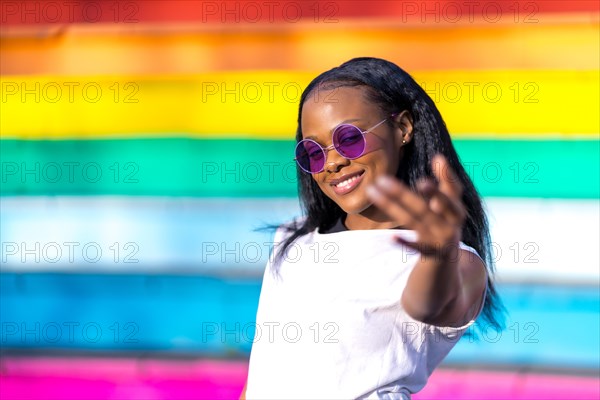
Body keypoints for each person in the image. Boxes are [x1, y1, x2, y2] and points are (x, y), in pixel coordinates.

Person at [241, 57, 504, 399]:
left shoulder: (458, 262)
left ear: (403, 128)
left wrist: (438, 253)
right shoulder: (292, 240)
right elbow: (265, 373)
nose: (332, 162)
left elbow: (427, 305)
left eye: (349, 138)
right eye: (313, 152)